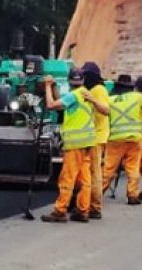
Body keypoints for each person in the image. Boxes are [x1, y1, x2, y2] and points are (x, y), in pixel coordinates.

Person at [41, 70, 109, 223]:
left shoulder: (73, 95)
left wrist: (46, 86)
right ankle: (83, 210)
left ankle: (60, 210)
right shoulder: (86, 94)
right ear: (83, 80)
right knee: (84, 177)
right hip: (88, 143)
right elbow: (64, 104)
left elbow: (51, 105)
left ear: (69, 81)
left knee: (67, 177)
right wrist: (54, 87)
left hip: (75, 144)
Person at [101, 74, 142, 205]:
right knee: (133, 167)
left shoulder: (110, 100)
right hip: (134, 138)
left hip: (115, 138)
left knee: (108, 168)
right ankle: (132, 194)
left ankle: (97, 194)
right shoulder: (138, 97)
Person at [81, 62, 110, 219]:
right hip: (95, 137)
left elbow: (106, 110)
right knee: (91, 172)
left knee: (94, 173)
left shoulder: (98, 90)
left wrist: (92, 99)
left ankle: (94, 207)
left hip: (96, 138)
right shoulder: (95, 89)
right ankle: (89, 204)